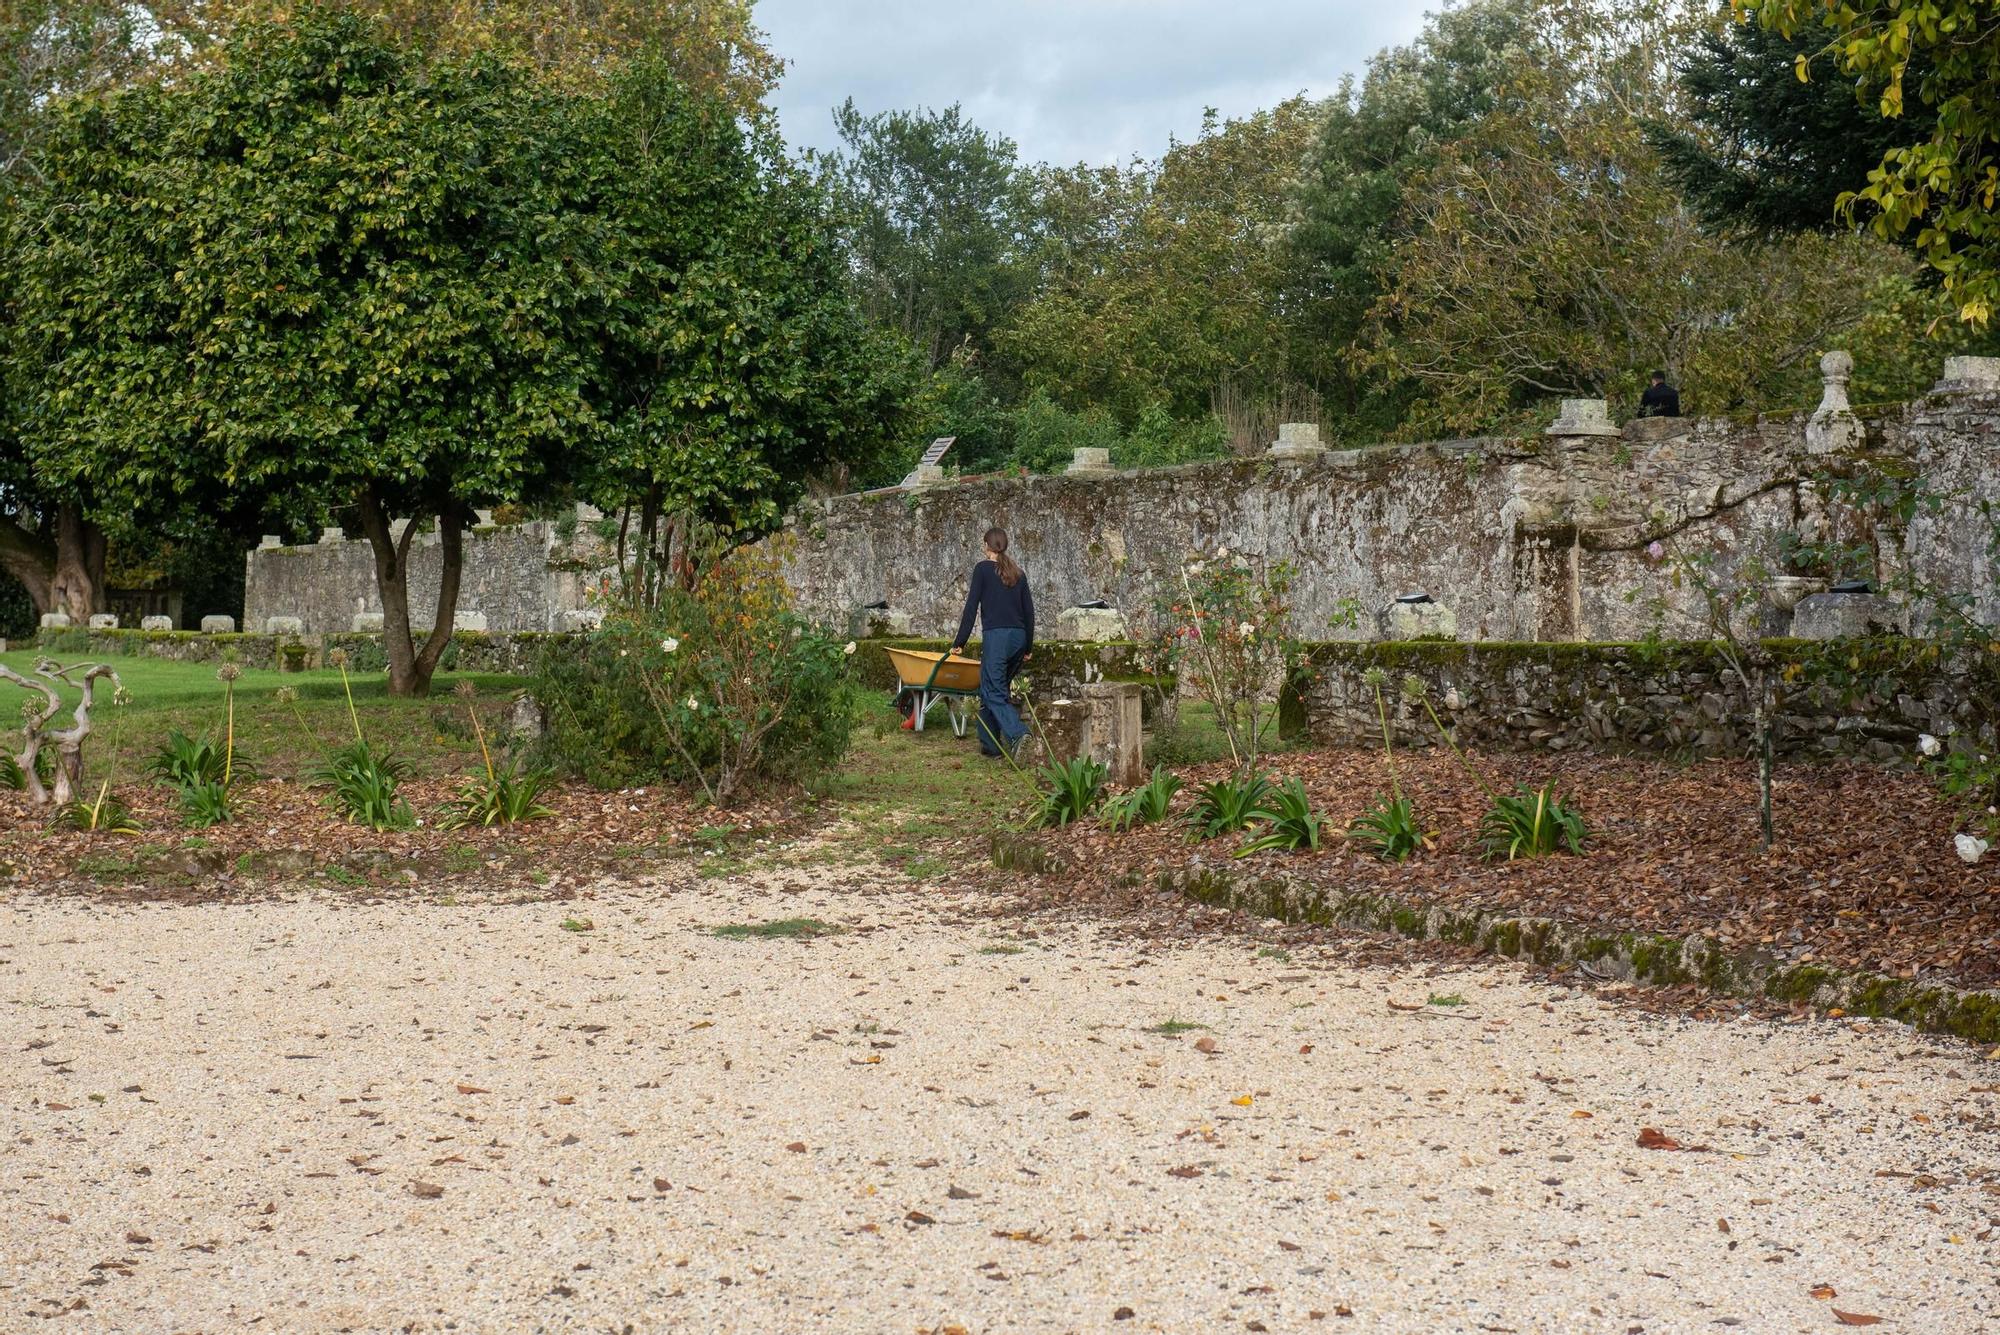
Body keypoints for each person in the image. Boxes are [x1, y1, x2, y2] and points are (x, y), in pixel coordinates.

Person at [950, 526, 1035, 759]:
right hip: (1018, 638)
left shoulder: (982, 569)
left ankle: (1019, 734)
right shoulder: (1018, 573)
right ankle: (990, 745)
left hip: (998, 638)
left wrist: (960, 641)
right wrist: (1028, 646)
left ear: (986, 545)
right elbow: (1029, 613)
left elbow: (971, 608)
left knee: (994, 693)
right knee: (990, 689)